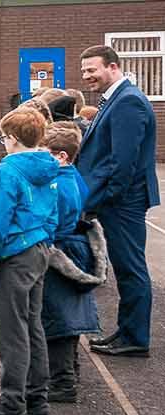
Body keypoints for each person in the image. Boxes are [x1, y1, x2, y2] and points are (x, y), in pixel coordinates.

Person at [0, 106, 59, 415]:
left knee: (12, 329)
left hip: (17, 254)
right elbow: (53, 213)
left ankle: (11, 399)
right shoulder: (49, 169)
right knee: (32, 323)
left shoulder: (6, 173)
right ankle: (37, 393)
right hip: (39, 249)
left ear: (12, 139)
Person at [77, 45, 159, 358]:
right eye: (84, 71)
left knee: (130, 269)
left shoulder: (128, 102)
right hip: (119, 200)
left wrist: (105, 199)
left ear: (112, 67)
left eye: (92, 69)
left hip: (124, 202)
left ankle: (135, 338)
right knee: (126, 268)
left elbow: (122, 163)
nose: (87, 76)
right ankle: (126, 332)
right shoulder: (119, 99)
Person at [40, 124, 105, 402]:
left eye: (45, 154)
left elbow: (56, 220)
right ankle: (70, 373)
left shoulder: (60, 185)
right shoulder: (74, 177)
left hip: (63, 251)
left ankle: (63, 381)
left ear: (62, 156)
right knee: (68, 317)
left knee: (59, 318)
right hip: (76, 248)